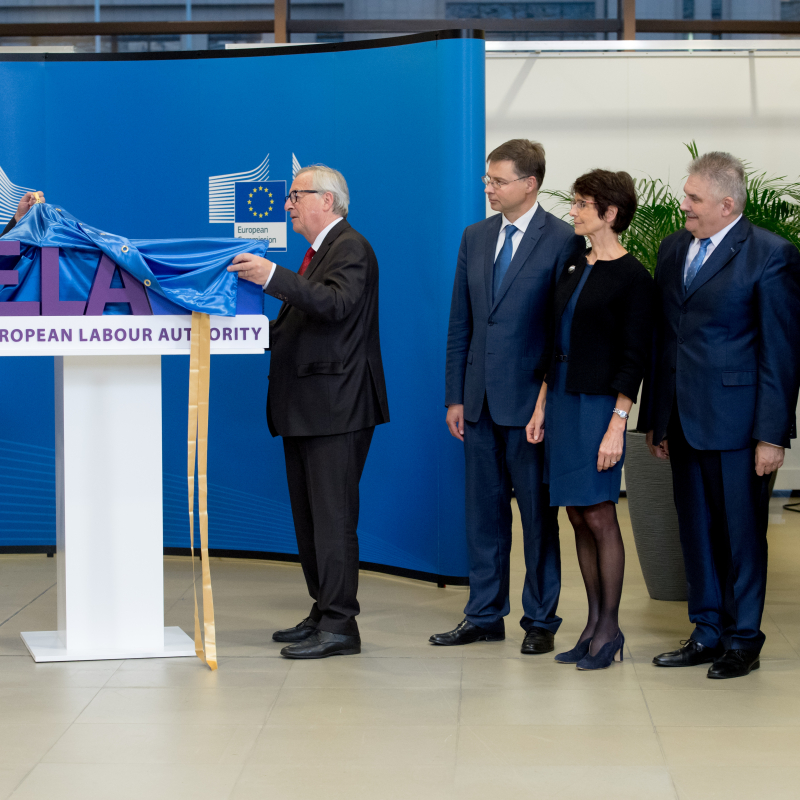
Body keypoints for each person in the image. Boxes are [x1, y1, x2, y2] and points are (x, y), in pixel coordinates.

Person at [642, 151, 800, 679]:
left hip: (739, 426)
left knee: (742, 535)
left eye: (693, 198)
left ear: (727, 203)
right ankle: (707, 630)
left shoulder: (770, 254)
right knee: (696, 531)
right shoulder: (671, 249)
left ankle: (743, 639)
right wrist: (656, 419)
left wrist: (771, 435)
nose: (682, 205)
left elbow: (780, 354)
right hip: (683, 421)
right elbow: (665, 341)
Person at [228, 165, 389, 660]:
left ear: (328, 200)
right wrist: (240, 334)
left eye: (297, 195)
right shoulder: (321, 252)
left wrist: (273, 277)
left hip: (336, 409)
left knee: (333, 518)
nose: (288, 204)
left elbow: (335, 304)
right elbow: (301, 323)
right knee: (310, 518)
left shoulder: (350, 246)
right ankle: (324, 608)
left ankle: (341, 626)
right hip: (310, 409)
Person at [433, 139, 584, 653]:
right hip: (476, 402)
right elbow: (462, 322)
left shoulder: (563, 239)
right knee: (484, 515)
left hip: (530, 406)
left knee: (538, 516)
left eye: (498, 180)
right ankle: (483, 614)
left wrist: (547, 399)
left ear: (530, 184)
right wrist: (455, 394)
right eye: (487, 180)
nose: (489, 188)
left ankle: (540, 618)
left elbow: (562, 330)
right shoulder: (475, 237)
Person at [527, 169, 653, 670]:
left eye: (581, 204)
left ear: (609, 213)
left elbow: (633, 357)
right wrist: (540, 404)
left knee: (599, 512)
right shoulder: (575, 266)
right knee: (576, 513)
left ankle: (610, 629)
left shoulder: (634, 278)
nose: (573, 212)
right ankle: (593, 624)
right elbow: (551, 339)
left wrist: (618, 422)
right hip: (560, 399)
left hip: (599, 406)